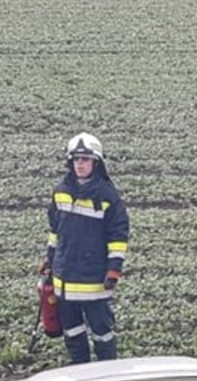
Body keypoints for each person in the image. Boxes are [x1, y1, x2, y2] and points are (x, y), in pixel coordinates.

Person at [41, 132, 131, 363]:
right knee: (72, 332)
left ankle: (107, 373)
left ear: (96, 163)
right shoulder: (60, 192)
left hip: (94, 282)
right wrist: (50, 260)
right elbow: (55, 231)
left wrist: (114, 269)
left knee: (103, 333)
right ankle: (79, 370)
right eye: (76, 159)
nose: (80, 164)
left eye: (85, 159)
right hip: (65, 280)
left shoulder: (108, 196)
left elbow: (118, 236)